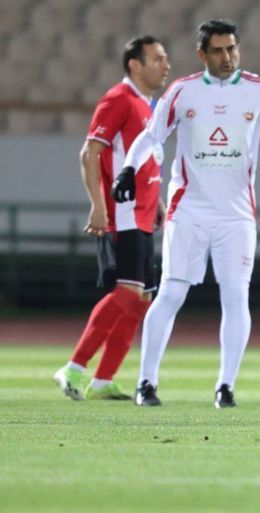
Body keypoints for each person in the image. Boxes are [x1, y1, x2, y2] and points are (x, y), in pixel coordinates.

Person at [114, 19, 260, 408]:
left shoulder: (259, 90)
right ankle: (146, 382)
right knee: (170, 294)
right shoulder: (183, 92)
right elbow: (151, 135)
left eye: (232, 48)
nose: (227, 57)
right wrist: (128, 168)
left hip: (237, 215)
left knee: (236, 296)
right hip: (189, 211)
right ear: (202, 54)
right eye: (218, 50)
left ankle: (225, 386)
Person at [53, 36, 171, 401]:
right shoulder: (118, 99)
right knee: (127, 292)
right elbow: (89, 153)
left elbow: (142, 160)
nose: (166, 66)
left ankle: (104, 380)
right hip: (123, 212)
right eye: (157, 59)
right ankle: (74, 367)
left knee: (142, 299)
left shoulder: (147, 106)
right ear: (134, 65)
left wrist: (158, 201)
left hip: (144, 213)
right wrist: (98, 205)